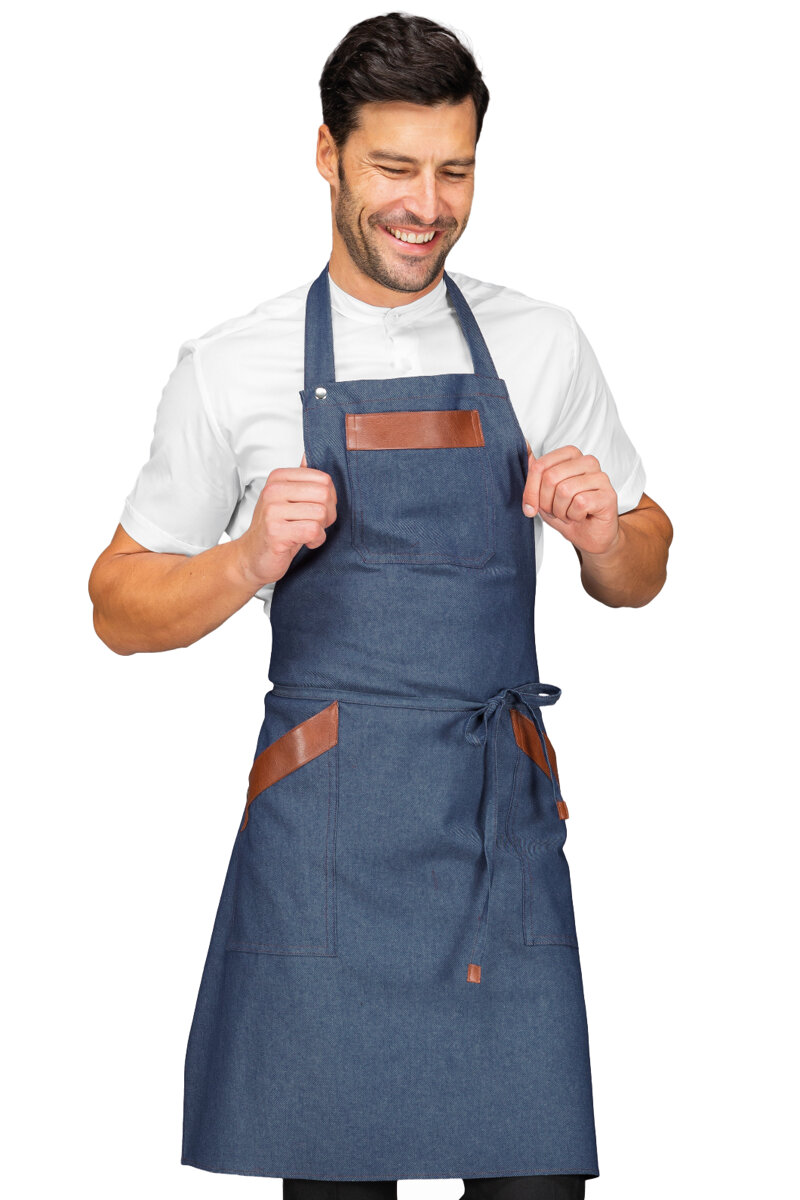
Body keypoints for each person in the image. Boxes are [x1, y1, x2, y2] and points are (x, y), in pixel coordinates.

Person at [89, 12, 672, 1200]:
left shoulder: (541, 343)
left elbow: (643, 567)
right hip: (325, 840)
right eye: (394, 168)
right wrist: (247, 557)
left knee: (533, 1183)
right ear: (327, 155)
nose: (426, 205)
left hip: (494, 828)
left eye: (454, 171)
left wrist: (606, 536)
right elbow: (116, 602)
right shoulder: (233, 365)